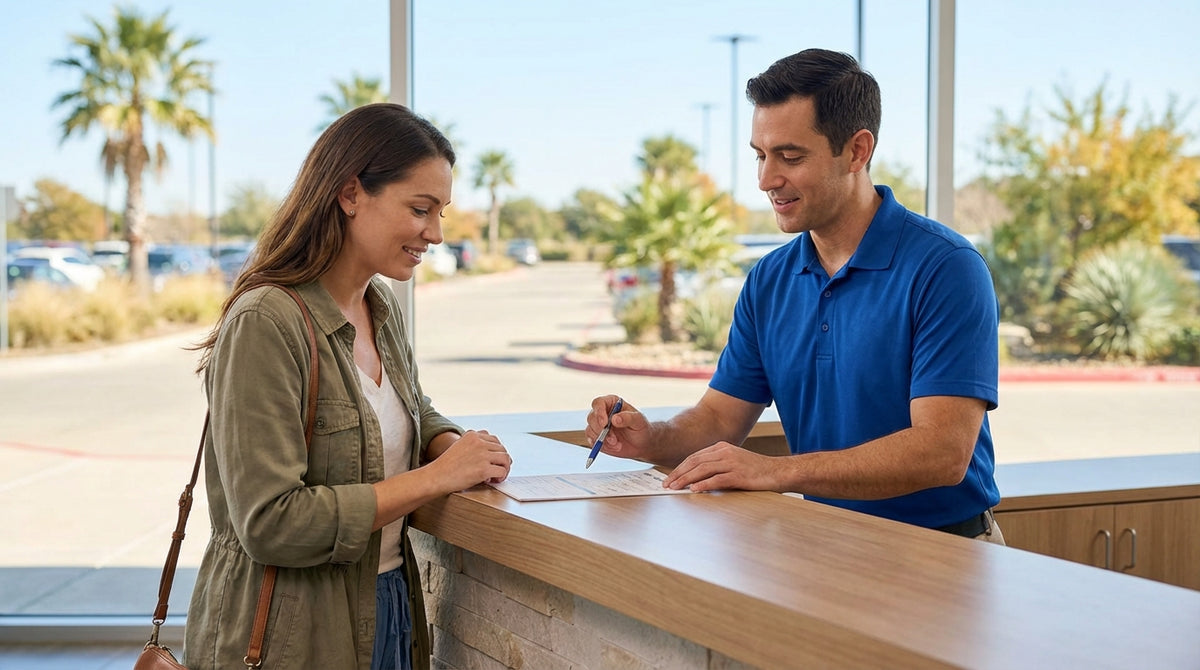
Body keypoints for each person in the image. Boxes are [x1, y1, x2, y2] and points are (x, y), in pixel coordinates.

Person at [586, 48, 1004, 544]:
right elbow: (720, 418)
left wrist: (775, 472)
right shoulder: (769, 280)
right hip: (822, 544)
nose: (766, 180)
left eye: (790, 156)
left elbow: (941, 453)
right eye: (760, 156)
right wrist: (650, 438)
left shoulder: (945, 267)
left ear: (856, 150)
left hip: (944, 551)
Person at [185, 103, 513, 669]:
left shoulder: (378, 305)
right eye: (420, 209)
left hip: (389, 606)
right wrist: (435, 478)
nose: (435, 234)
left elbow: (405, 408)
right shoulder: (266, 321)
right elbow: (271, 522)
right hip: (295, 635)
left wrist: (450, 445)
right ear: (350, 193)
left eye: (441, 213)